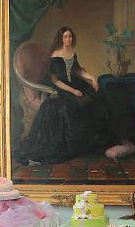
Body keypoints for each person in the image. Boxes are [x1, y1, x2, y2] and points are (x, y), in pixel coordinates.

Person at [17, 27, 124, 165]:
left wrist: (91, 77)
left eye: (70, 36)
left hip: (78, 85)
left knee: (96, 102)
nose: (68, 39)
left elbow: (77, 71)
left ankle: (101, 142)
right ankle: (72, 145)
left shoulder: (72, 52)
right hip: (63, 88)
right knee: (69, 107)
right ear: (61, 38)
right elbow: (55, 80)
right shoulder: (55, 55)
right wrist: (73, 91)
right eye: (66, 37)